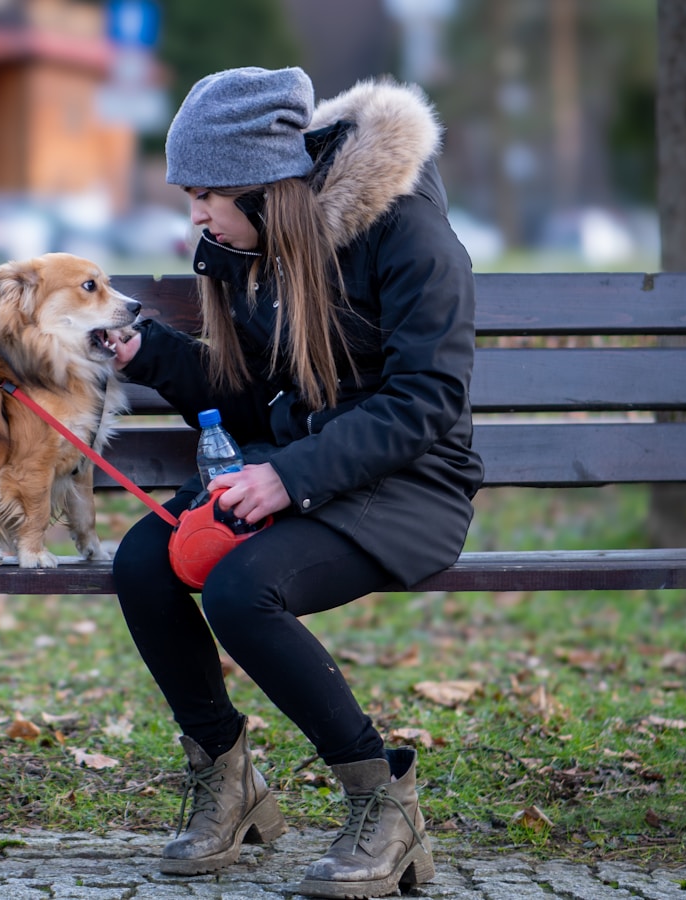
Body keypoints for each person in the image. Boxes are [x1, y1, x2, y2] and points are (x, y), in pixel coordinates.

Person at [103, 66, 483, 898]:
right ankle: (227, 780)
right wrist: (148, 353)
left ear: (267, 188)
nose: (195, 215)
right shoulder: (258, 246)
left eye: (207, 194)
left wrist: (287, 478)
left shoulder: (407, 232)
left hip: (409, 486)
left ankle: (386, 803)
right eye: (189, 194)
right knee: (143, 563)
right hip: (297, 472)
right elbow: (252, 389)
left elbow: (427, 400)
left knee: (243, 591)